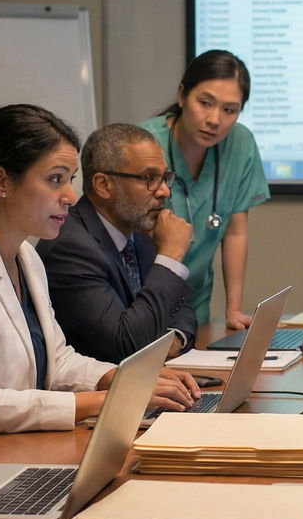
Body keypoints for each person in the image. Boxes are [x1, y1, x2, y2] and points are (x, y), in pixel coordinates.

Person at [0, 105, 200, 439]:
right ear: (1, 181)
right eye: (55, 179)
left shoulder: (26, 256)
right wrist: (103, 401)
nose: (71, 197)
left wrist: (125, 378)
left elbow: (59, 361)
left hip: (19, 449)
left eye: (70, 180)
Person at [37, 124, 198, 363]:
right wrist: (171, 255)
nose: (164, 191)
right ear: (103, 185)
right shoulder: (70, 248)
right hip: (92, 393)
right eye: (149, 178)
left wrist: (174, 338)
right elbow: (127, 345)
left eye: (164, 178)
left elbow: (180, 309)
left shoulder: (139, 231)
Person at [141, 50, 270, 329]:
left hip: (194, 301)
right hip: (142, 297)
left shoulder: (240, 144)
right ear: (181, 95)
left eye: (229, 110)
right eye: (205, 103)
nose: (215, 119)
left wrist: (233, 310)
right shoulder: (143, 145)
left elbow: (236, 231)